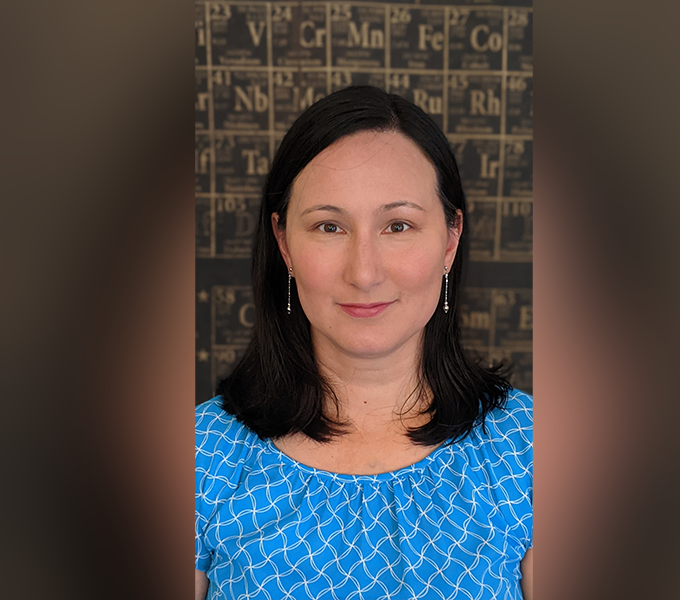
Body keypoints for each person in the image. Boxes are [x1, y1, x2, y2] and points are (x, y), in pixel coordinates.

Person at [195, 86, 533, 600]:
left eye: (398, 225)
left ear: (449, 239)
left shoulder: (533, 451)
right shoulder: (198, 457)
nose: (365, 272)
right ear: (284, 243)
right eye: (330, 226)